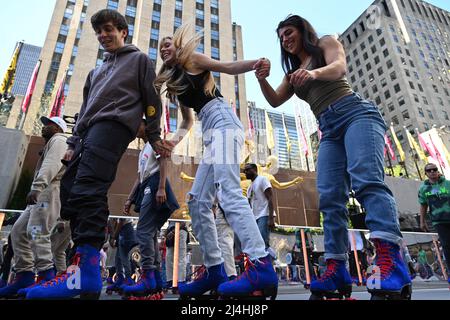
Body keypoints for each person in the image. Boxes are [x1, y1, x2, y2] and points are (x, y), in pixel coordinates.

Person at [254, 15, 411, 299]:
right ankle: (336, 266)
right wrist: (262, 79)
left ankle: (392, 261)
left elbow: (339, 67)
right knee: (328, 198)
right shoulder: (293, 73)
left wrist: (313, 73)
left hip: (355, 114)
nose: (285, 39)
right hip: (328, 129)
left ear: (302, 31)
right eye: (280, 37)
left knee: (367, 182)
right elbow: (275, 100)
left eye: (288, 32)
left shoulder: (325, 43)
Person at [25, 9, 171, 300]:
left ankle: (87, 271)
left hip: (114, 127)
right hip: (86, 134)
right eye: (99, 32)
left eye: (108, 29)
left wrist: (153, 135)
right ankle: (84, 267)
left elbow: (152, 100)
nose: (104, 36)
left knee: (90, 187)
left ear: (122, 31)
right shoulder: (96, 72)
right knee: (72, 192)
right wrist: (72, 142)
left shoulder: (139, 60)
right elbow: (86, 109)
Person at [153, 24, 278, 299]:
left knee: (229, 192)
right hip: (210, 131)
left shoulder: (193, 61)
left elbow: (228, 67)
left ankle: (261, 263)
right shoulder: (175, 85)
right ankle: (215, 270)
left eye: (168, 43)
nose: (164, 48)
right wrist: (172, 143)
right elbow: (187, 121)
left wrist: (257, 63)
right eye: (160, 47)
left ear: (177, 46)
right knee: (197, 201)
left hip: (222, 120)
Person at [0, 117, 68, 299]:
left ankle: (46, 276)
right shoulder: (52, 143)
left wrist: (37, 187)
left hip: (49, 190)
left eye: (48, 124)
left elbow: (52, 165)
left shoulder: (59, 140)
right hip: (43, 191)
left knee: (37, 231)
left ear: (57, 128)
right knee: (18, 231)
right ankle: (24, 275)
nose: (44, 127)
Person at [121, 119, 179, 299]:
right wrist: (129, 199)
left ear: (146, 125)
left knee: (143, 232)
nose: (135, 128)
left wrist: (161, 187)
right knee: (150, 233)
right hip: (146, 185)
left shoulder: (156, 141)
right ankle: (156, 281)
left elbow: (164, 163)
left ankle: (147, 275)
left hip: (155, 185)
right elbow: (139, 178)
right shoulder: (143, 150)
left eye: (137, 123)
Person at [418, 163, 450, 285]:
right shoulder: (423, 189)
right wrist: (422, 221)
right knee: (447, 247)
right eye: (429, 170)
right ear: (426, 173)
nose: (432, 172)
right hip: (439, 221)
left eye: (434, 169)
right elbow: (423, 205)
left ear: (437, 171)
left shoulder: (447, 184)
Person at [244, 163, 276, 250]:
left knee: (262, 243)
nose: (245, 172)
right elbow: (249, 206)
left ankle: (269, 262)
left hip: (264, 215)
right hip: (255, 218)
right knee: (257, 244)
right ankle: (269, 259)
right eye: (244, 170)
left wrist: (271, 218)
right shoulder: (249, 188)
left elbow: (270, 198)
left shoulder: (262, 180)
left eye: (247, 170)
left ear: (254, 169)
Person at [106, 218, 137, 295]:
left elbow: (121, 222)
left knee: (124, 257)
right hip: (124, 230)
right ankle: (120, 278)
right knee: (118, 258)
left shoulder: (119, 208)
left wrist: (113, 236)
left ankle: (128, 280)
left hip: (125, 230)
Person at [165, 221, 188, 293]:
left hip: (180, 229)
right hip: (171, 229)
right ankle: (171, 280)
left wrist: (173, 231)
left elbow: (184, 220)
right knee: (169, 258)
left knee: (180, 258)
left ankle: (180, 282)